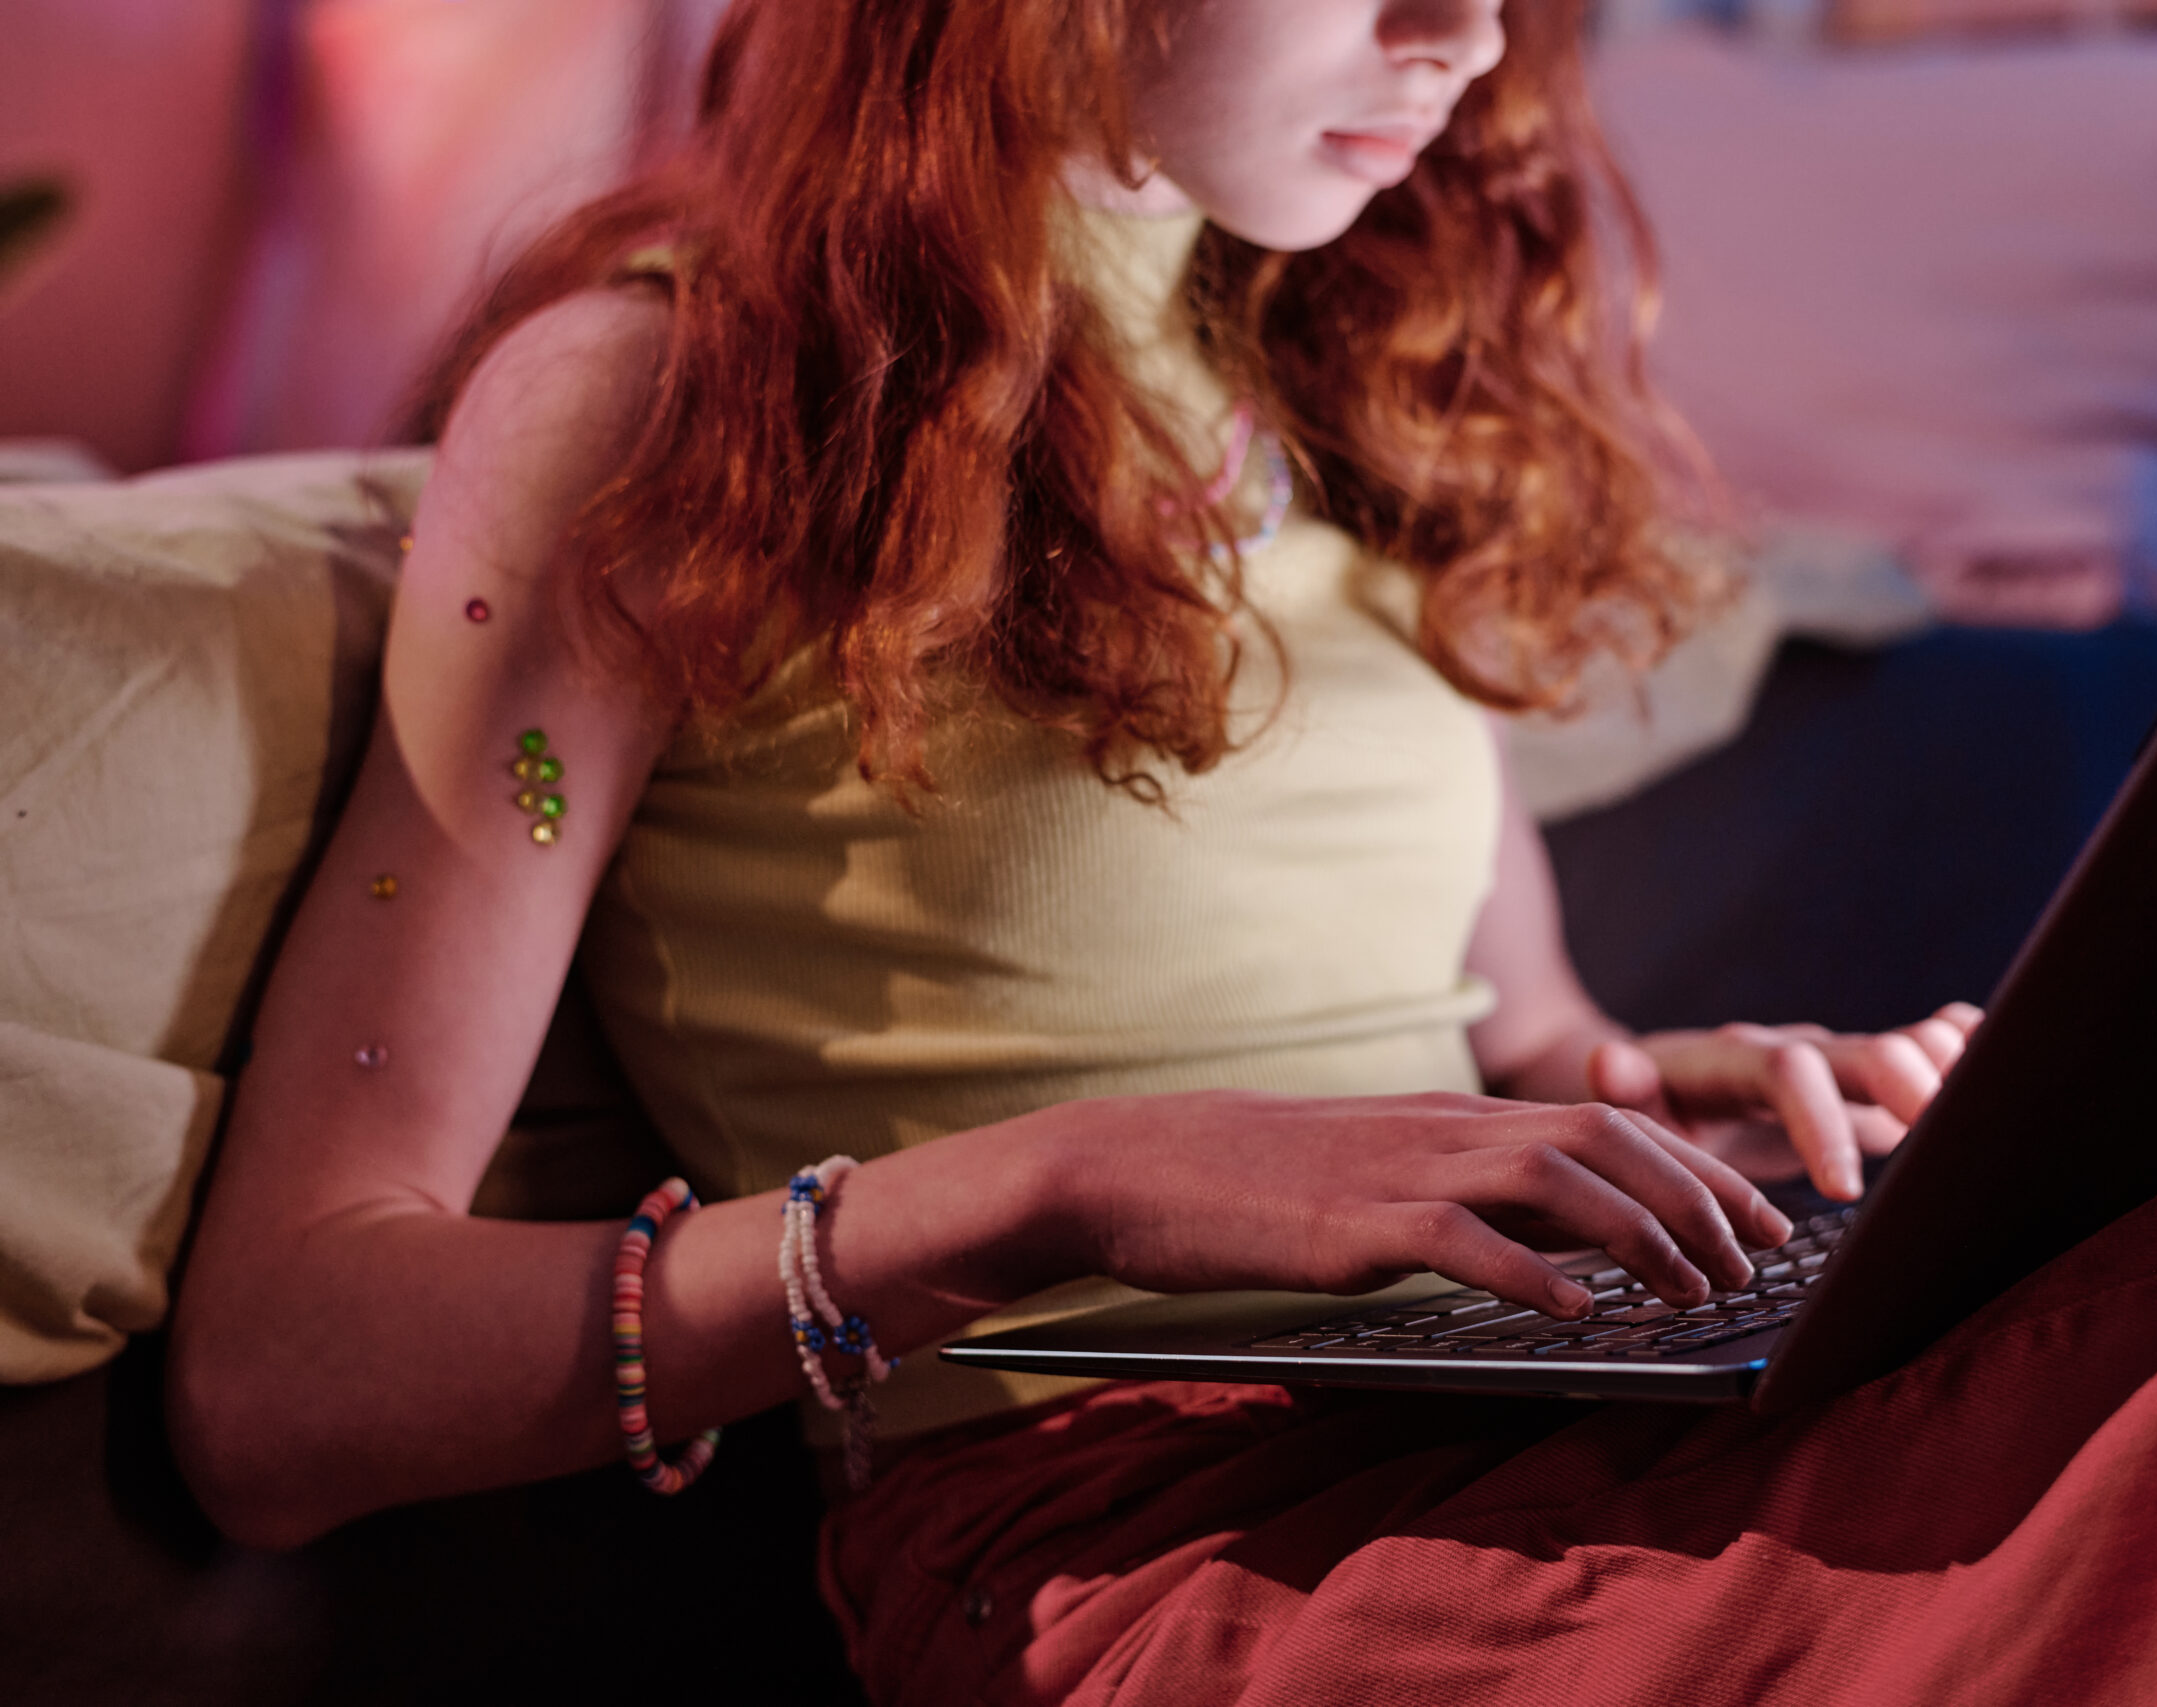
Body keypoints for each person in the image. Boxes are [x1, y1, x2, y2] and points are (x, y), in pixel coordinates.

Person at [168, 0, 1976, 1560]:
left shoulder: (1339, 377)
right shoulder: (664, 403)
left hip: (1550, 1426)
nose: (1469, 37)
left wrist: (1696, 1138)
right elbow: (282, 1376)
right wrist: (1072, 1185)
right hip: (1166, 1530)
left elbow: (1518, 1043)